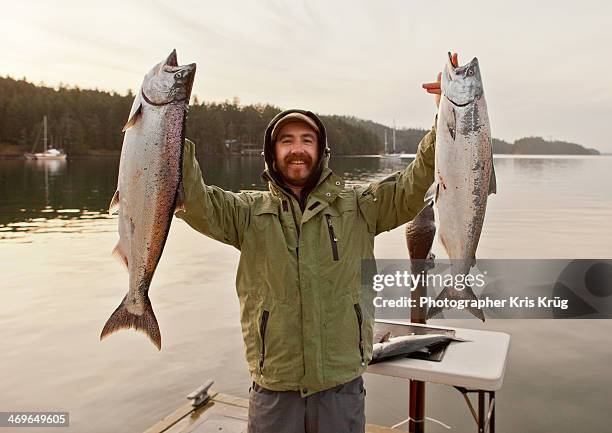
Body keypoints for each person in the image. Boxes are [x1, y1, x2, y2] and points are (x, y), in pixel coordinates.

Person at [176, 54, 458, 433]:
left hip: (340, 387)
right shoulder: (246, 213)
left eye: (307, 140)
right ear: (272, 153)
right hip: (274, 388)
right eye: (287, 141)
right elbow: (193, 200)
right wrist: (171, 123)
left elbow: (412, 185)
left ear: (321, 151)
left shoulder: (358, 206)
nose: (297, 149)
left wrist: (446, 116)